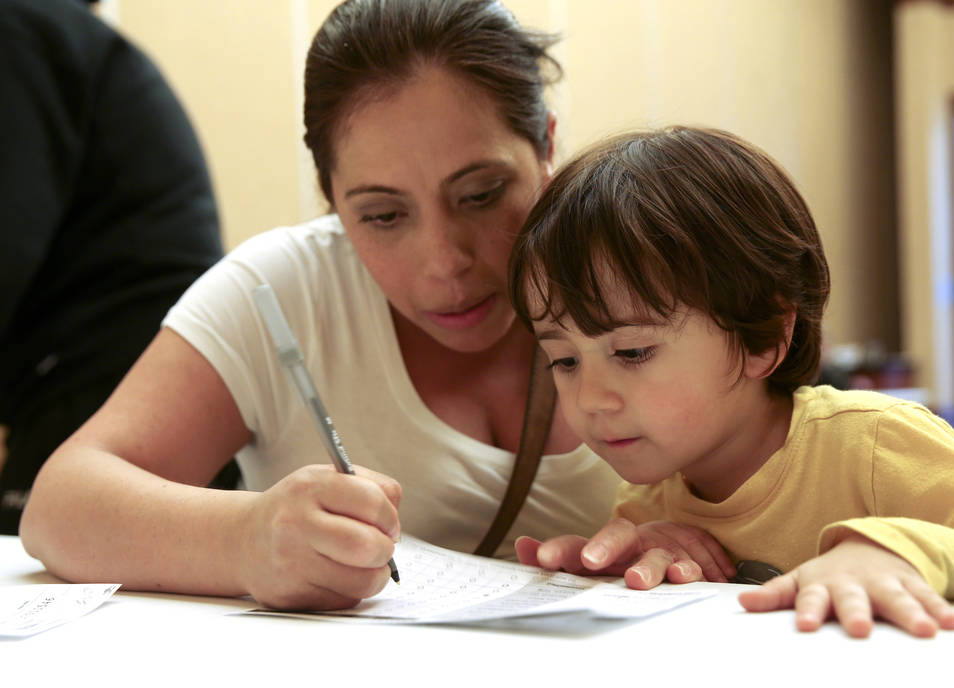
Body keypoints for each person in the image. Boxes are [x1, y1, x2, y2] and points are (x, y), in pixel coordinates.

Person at [20, 0, 625, 611]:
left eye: (481, 195)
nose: (444, 260)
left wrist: (702, 545)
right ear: (330, 197)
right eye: (383, 215)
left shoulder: (647, 272)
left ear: (546, 144)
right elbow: (59, 508)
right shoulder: (284, 292)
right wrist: (244, 538)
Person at [507, 126, 954, 638]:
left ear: (762, 338)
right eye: (565, 361)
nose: (590, 400)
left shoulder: (871, 444)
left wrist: (901, 551)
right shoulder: (649, 498)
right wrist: (643, 559)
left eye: (631, 351)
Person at [0, 0, 225, 534]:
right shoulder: (62, 39)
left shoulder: (21, 30)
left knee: (43, 588)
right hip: (136, 378)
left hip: (102, 388)